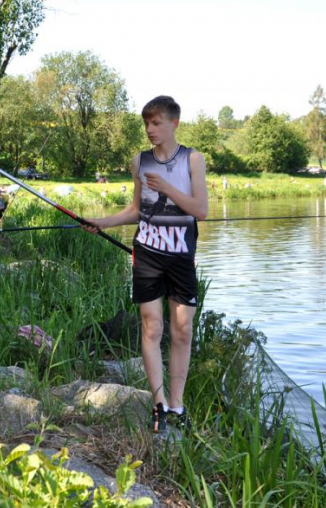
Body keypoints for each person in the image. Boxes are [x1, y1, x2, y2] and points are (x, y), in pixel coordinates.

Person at [84, 96, 208, 434]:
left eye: (156, 123)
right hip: (148, 253)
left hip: (181, 255)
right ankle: (159, 406)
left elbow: (201, 210)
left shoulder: (193, 159)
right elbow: (136, 209)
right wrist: (104, 222)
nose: (150, 130)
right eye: (146, 124)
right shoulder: (140, 161)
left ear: (174, 123)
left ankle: (178, 405)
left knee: (181, 331)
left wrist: (167, 187)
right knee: (152, 328)